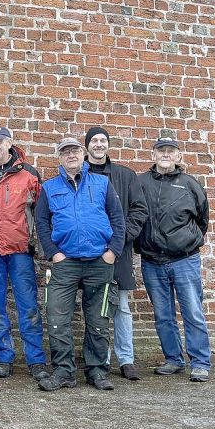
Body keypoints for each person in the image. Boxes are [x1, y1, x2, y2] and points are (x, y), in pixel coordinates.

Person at [34, 137, 126, 392]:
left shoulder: (101, 183)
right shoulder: (49, 188)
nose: (71, 155)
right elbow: (41, 223)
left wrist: (112, 252)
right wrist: (53, 253)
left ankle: (97, 371)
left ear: (83, 154)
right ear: (60, 158)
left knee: (98, 319)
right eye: (65, 152)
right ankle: (64, 372)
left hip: (99, 261)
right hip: (65, 263)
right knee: (57, 318)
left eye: (74, 150)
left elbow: (117, 218)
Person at [0, 126, 50, 380]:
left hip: (20, 251)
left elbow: (41, 214)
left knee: (28, 306)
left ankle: (35, 360)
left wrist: (37, 245)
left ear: (9, 143)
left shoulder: (29, 175)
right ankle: (4, 357)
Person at [136, 137, 212, 382]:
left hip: (184, 260)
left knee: (192, 311)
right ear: (153, 156)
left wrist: (189, 241)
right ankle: (173, 359)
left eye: (171, 151)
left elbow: (202, 219)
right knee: (163, 315)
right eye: (161, 151)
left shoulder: (190, 184)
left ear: (179, 157)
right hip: (151, 261)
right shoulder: (140, 183)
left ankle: (200, 362)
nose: (165, 155)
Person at [84, 126, 149, 381]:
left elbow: (139, 210)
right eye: (94, 141)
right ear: (87, 145)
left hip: (118, 251)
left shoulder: (125, 175)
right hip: (89, 254)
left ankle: (126, 358)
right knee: (95, 308)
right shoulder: (80, 174)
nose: (98, 145)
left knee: (121, 307)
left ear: (107, 145)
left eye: (103, 140)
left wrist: (119, 240)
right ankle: (101, 358)